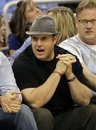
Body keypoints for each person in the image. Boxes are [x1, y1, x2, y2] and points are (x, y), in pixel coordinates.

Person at [12, 15, 96, 130]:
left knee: (91, 111)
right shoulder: (22, 63)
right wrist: (57, 72)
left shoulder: (68, 58)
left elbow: (84, 101)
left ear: (54, 39)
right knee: (43, 114)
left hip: (65, 116)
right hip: (36, 119)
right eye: (35, 39)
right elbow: (35, 103)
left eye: (44, 38)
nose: (38, 44)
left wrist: (70, 75)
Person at [0, 14, 38, 130]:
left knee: (22, 110)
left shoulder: (1, 58)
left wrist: (8, 99)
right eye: (1, 25)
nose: (4, 28)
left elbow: (15, 94)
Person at [10, 6, 77, 65]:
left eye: (49, 20)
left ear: (61, 26)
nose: (38, 43)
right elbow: (14, 59)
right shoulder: (32, 41)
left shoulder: (74, 46)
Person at [59, 0, 96, 90]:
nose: (89, 26)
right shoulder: (67, 47)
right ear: (76, 23)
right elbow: (88, 76)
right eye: (84, 21)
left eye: (94, 21)